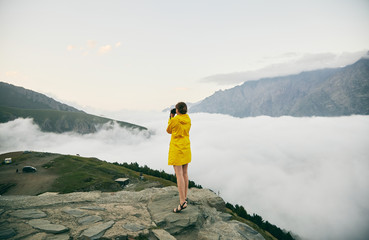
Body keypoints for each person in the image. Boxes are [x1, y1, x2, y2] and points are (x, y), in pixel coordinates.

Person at [166, 102, 191, 213]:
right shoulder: (188, 119)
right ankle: (184, 197)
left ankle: (182, 202)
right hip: (185, 147)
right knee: (185, 173)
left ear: (177, 110)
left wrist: (171, 118)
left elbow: (168, 130)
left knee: (179, 174)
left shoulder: (175, 120)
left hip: (177, 148)